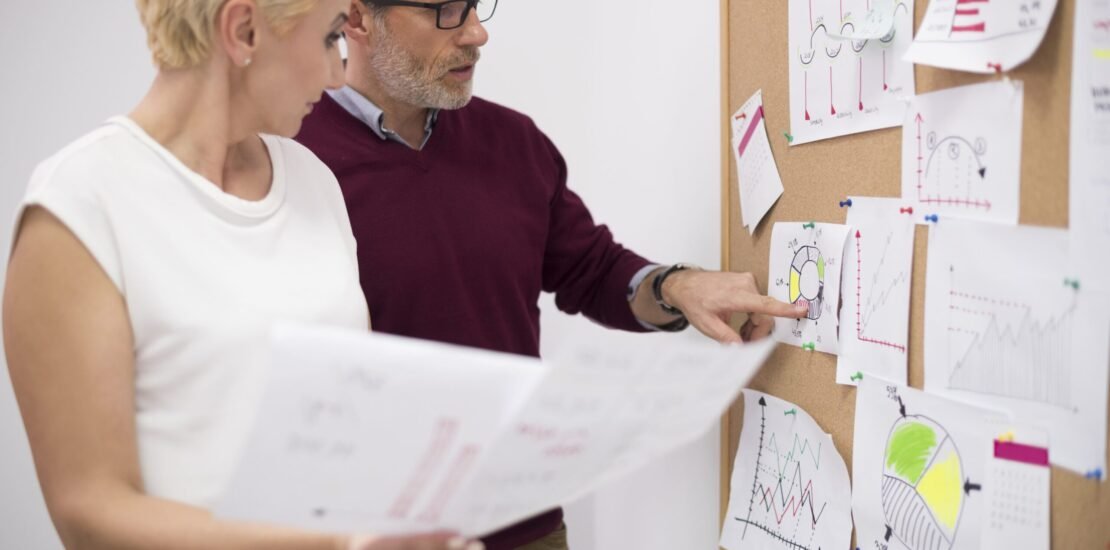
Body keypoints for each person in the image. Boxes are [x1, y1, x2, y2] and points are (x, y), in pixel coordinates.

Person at [294, 1, 809, 547]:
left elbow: (592, 269)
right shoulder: (290, 155)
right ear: (356, 18)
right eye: (445, 10)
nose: (477, 33)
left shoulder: (513, 142)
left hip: (523, 524)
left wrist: (675, 285)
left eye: (474, 6)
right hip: (369, 532)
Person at [2, 1, 480, 549]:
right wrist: (343, 545)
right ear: (243, 29)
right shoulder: (81, 204)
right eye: (329, 39)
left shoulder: (312, 182)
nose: (337, 74)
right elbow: (90, 514)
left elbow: (350, 421)